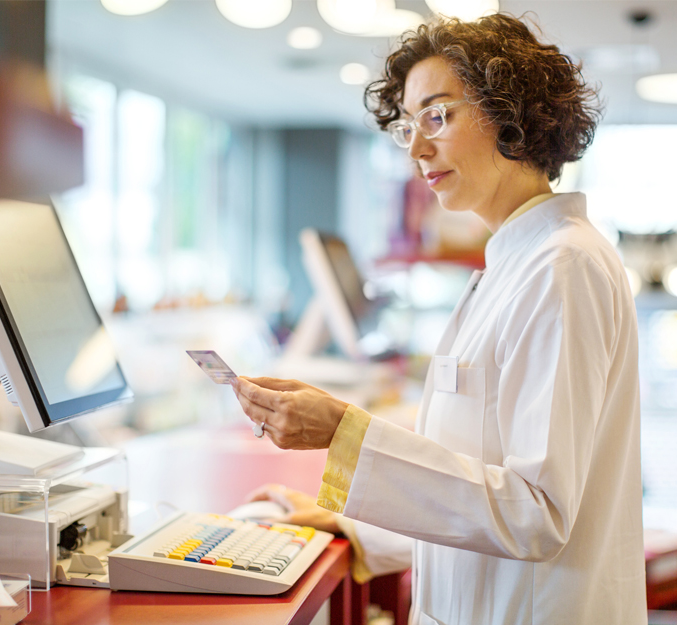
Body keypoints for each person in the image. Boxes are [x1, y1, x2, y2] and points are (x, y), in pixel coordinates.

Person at [232, 14, 646, 624]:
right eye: (408, 127)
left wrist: (347, 433)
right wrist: (358, 527)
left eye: (438, 116)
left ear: (511, 112)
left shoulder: (563, 266)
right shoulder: (514, 263)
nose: (418, 150)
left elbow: (537, 513)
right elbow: (475, 489)